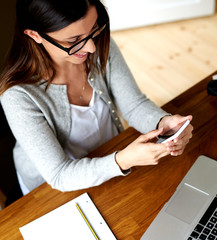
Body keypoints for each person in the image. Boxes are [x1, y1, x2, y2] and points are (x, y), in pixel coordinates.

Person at [0, 0, 193, 195]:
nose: (91, 47)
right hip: (55, 190)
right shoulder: (17, 96)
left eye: (93, 28)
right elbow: (60, 175)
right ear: (34, 34)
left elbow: (134, 105)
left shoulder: (98, 43)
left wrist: (163, 122)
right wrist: (123, 160)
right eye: (74, 39)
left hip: (110, 155)